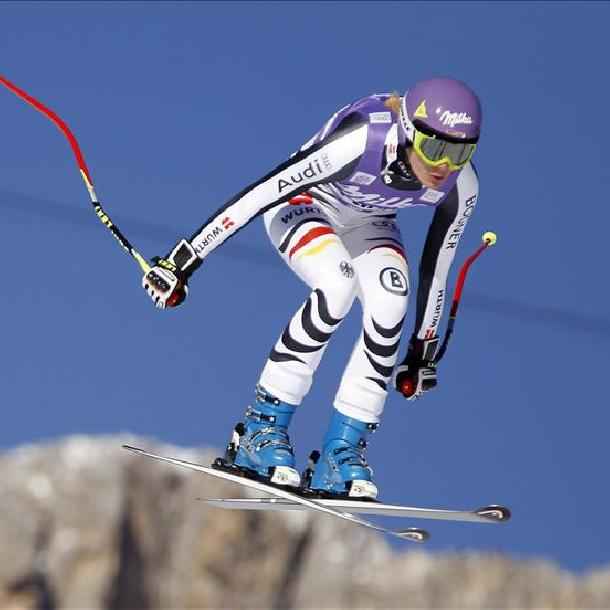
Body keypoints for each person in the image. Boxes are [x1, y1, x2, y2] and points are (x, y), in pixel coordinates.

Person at [142, 77, 482, 499]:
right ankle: (260, 429)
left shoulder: (462, 186)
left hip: (368, 223)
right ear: (410, 131)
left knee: (391, 302)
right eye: (435, 149)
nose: (445, 166)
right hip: (304, 204)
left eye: (461, 152)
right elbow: (266, 191)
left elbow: (439, 264)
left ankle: (342, 453)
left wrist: (422, 351)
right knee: (337, 283)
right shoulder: (363, 139)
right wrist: (183, 261)